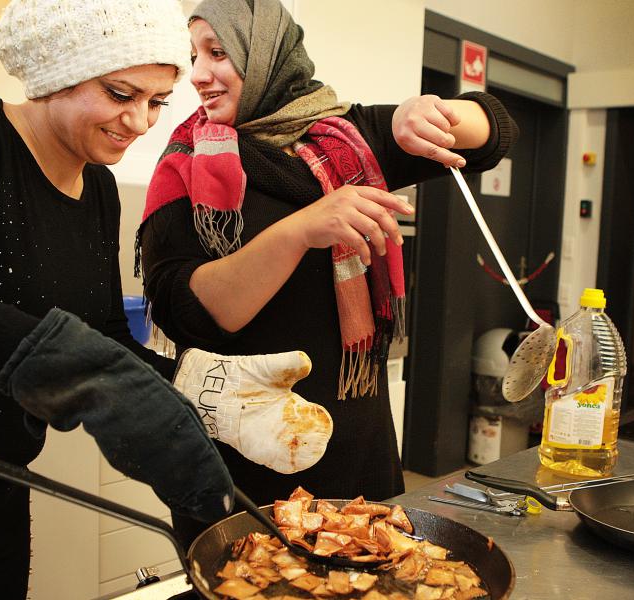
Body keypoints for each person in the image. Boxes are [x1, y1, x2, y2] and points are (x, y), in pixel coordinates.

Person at [0, 0, 326, 597]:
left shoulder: (97, 186)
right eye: (121, 94)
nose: (141, 122)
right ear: (57, 72)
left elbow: (102, 333)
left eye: (156, 101)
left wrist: (194, 383)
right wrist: (75, 367)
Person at [138, 0, 518, 548]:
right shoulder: (186, 164)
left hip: (354, 446)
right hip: (240, 455)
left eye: (217, 53)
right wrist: (299, 230)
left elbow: (498, 131)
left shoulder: (350, 136)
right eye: (194, 54)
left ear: (266, 55)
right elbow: (192, 314)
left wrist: (436, 114)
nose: (198, 74)